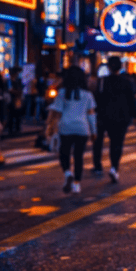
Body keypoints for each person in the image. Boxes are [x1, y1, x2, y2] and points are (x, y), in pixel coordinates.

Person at [45, 66, 96, 194]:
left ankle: (68, 173)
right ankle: (77, 184)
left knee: (64, 153)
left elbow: (56, 112)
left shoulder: (62, 93)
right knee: (79, 156)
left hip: (66, 127)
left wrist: (50, 126)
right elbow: (91, 114)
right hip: (82, 128)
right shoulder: (87, 94)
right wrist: (94, 131)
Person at [92, 56, 136, 183]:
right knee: (117, 143)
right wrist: (135, 115)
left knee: (98, 141)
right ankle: (114, 168)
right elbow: (131, 100)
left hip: (103, 116)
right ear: (120, 67)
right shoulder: (126, 82)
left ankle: (98, 165)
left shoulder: (102, 82)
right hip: (121, 117)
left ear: (109, 67)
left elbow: (97, 99)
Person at [7, 66, 25, 134]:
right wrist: (18, 92)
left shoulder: (16, 81)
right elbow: (10, 90)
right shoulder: (10, 81)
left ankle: (16, 128)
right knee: (12, 115)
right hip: (12, 100)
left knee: (17, 115)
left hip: (16, 99)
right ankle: (12, 129)